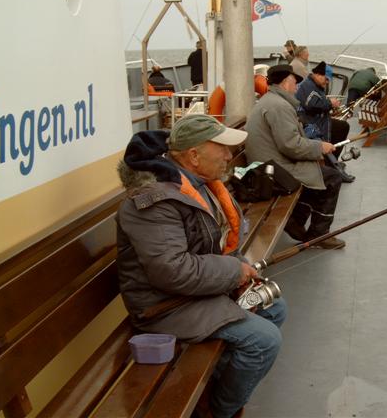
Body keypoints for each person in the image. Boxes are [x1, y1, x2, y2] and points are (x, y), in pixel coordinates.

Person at [116, 115, 286, 418]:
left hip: (189, 294)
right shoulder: (153, 201)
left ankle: (218, 384)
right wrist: (233, 272)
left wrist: (238, 267)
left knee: (275, 308)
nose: (228, 155)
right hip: (164, 306)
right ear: (193, 156)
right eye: (221, 148)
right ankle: (218, 411)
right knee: (263, 341)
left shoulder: (196, 183)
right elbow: (173, 271)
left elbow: (207, 245)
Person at [245, 64, 346, 249]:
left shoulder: (272, 101)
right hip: (272, 171)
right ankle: (319, 235)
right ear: (284, 83)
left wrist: (314, 148)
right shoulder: (279, 106)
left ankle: (295, 221)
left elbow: (289, 142)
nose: (297, 86)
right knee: (332, 178)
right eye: (294, 82)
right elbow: (290, 145)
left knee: (320, 174)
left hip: (268, 165)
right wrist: (319, 147)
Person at [296, 61, 354, 182]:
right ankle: (331, 166)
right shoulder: (307, 86)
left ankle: (332, 163)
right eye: (326, 79)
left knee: (343, 126)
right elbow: (311, 104)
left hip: (317, 120)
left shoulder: (314, 84)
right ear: (318, 75)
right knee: (339, 128)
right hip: (310, 124)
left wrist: (330, 105)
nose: (327, 82)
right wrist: (330, 103)